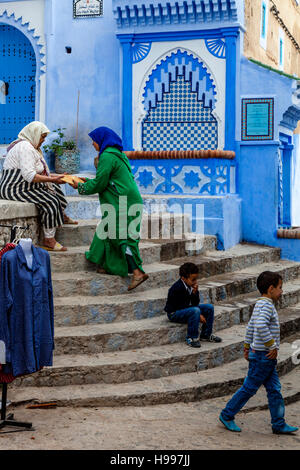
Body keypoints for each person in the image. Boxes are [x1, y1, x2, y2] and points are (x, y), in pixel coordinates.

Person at [219, 271, 299, 435]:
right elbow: (260, 326)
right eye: (280, 287)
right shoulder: (267, 306)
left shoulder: (260, 304)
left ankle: (278, 423)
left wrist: (247, 346)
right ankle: (227, 415)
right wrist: (272, 346)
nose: (282, 291)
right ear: (271, 289)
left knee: (274, 389)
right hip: (264, 356)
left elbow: (251, 327)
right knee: (249, 388)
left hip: (262, 356)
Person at [70, 126, 148, 291]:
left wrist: (80, 186)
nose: (92, 144)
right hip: (130, 199)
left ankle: (137, 272)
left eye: (94, 140)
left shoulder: (106, 157)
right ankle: (106, 265)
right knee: (107, 230)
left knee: (119, 235)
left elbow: (100, 183)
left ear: (101, 140)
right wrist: (84, 180)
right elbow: (107, 179)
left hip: (122, 202)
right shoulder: (118, 155)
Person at [0, 121, 76, 251]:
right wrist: (53, 179)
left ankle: (60, 215)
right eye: (42, 136)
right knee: (50, 200)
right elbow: (30, 175)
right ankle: (49, 239)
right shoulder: (25, 147)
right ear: (34, 134)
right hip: (15, 187)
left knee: (54, 188)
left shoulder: (33, 148)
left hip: (25, 184)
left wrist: (56, 178)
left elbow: (40, 172)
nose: (43, 140)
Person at [164, 262, 222, 347]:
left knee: (209, 307)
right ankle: (191, 337)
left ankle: (206, 334)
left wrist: (195, 293)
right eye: (193, 279)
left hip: (185, 308)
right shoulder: (177, 288)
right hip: (174, 313)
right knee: (195, 310)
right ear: (183, 278)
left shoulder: (190, 285)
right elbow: (182, 306)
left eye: (196, 279)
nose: (195, 281)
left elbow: (195, 303)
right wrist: (199, 315)